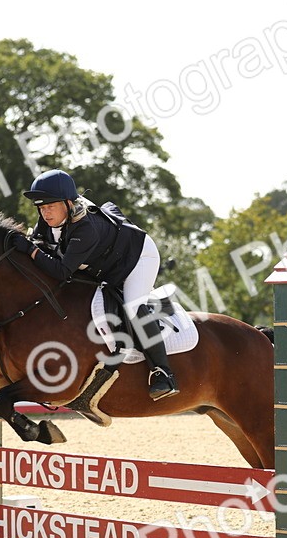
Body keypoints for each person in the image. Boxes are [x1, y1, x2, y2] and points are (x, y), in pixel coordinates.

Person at [10, 169, 178, 400]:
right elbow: (41, 249)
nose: (44, 212)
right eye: (40, 207)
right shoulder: (49, 218)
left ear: (68, 203)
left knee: (132, 306)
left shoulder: (85, 228)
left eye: (50, 206)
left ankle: (163, 373)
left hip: (138, 257)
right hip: (105, 262)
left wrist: (29, 249)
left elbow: (60, 271)